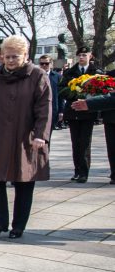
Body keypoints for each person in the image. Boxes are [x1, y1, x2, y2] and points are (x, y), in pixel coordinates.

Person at [0, 36, 52, 239]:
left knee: (24, 181)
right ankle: (1, 222)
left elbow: (44, 108)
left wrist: (40, 135)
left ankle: (19, 225)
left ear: (25, 55)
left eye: (15, 56)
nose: (10, 60)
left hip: (25, 137)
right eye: (6, 56)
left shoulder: (37, 75)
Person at [59, 46, 100, 183]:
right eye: (80, 55)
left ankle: (84, 172)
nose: (81, 57)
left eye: (84, 55)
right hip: (73, 110)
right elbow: (62, 89)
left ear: (90, 56)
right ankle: (77, 170)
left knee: (85, 142)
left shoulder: (96, 72)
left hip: (88, 112)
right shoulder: (70, 72)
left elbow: (101, 91)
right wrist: (75, 93)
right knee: (75, 142)